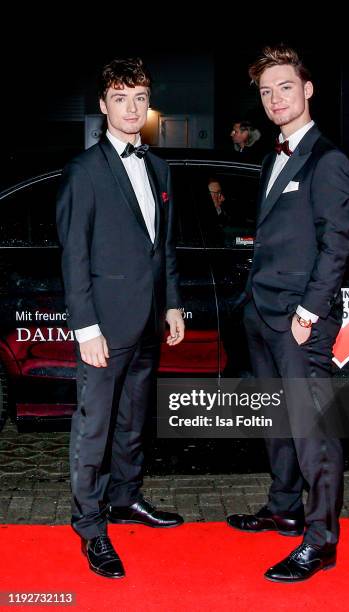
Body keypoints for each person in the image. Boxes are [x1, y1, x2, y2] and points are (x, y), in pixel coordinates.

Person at [226, 45, 349, 583]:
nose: (275, 99)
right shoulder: (271, 157)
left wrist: (308, 311)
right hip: (262, 312)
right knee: (276, 423)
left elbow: (336, 245)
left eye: (285, 87)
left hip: (301, 319)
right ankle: (284, 506)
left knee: (312, 432)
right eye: (265, 91)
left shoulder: (329, 160)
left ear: (307, 89)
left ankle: (321, 540)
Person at [56, 57, 185, 579]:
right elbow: (74, 257)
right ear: (104, 105)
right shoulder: (84, 171)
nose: (131, 108)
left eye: (139, 98)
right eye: (120, 98)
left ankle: (126, 498)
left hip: (149, 319)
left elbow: (164, 247)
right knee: (95, 428)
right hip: (104, 330)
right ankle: (89, 526)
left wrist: (172, 302)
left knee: (133, 424)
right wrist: (85, 328)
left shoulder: (160, 168)